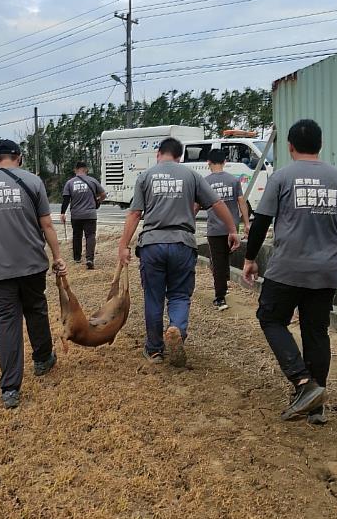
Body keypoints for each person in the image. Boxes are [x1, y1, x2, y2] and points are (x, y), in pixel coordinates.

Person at [243, 119, 337, 425]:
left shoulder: (281, 177)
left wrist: (250, 258)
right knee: (316, 331)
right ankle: (315, 408)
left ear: (290, 146)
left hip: (287, 270)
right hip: (326, 272)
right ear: (320, 145)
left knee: (270, 318)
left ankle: (303, 382)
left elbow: (261, 222)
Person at [0, 139, 67, 410]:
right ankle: (43, 360)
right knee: (36, 310)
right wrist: (57, 257)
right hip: (33, 264)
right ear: (18, 157)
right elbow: (47, 225)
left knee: (6, 322)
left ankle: (10, 389)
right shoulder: (33, 182)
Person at [118, 137, 241, 367]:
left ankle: (154, 350)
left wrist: (123, 245)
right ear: (180, 156)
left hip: (152, 244)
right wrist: (233, 229)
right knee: (179, 295)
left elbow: (135, 214)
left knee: (153, 296)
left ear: (158, 154)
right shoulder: (191, 176)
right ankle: (177, 329)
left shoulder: (146, 176)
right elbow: (217, 203)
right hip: (183, 243)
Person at [202, 148, 251, 311]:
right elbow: (241, 202)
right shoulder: (233, 180)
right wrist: (246, 224)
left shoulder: (205, 182)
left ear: (208, 162)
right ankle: (222, 285)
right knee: (223, 260)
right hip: (232, 230)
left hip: (214, 229)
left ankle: (220, 297)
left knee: (218, 262)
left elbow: (196, 205)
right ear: (224, 162)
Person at [60, 161, 106, 269]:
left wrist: (62, 213)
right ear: (86, 169)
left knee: (77, 235)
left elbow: (66, 199)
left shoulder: (70, 183)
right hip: (90, 214)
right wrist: (98, 201)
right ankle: (89, 259)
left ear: (75, 170)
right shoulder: (93, 181)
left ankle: (77, 258)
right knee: (90, 236)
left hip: (76, 215)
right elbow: (103, 194)